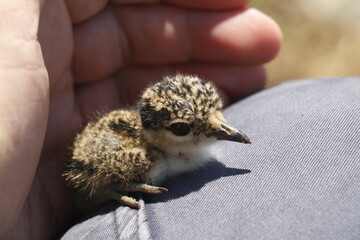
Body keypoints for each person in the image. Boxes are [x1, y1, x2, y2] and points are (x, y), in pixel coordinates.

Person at [0, 0, 282, 238]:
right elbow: (83, 177)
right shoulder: (143, 159)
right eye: (182, 129)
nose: (224, 129)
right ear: (156, 133)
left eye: (215, 110)